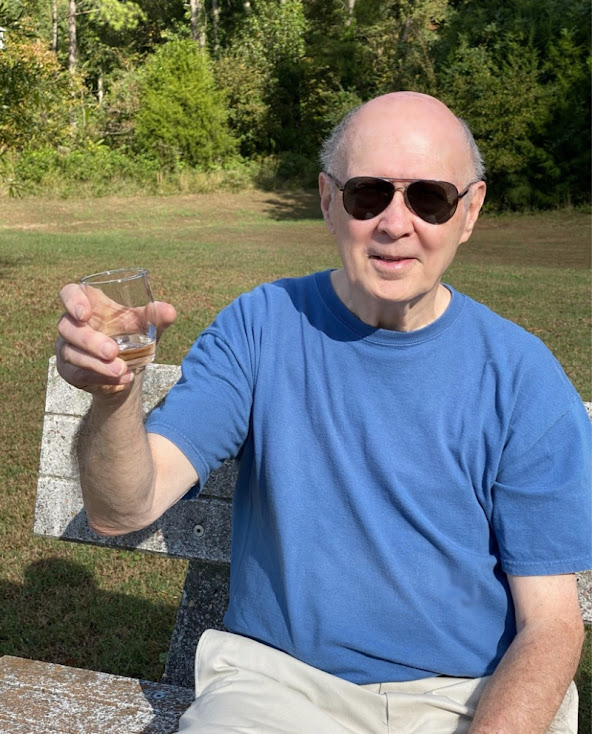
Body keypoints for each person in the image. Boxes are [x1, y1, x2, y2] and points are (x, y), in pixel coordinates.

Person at [55, 92, 591, 734]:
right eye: (368, 194)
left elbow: (551, 625)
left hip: (468, 696)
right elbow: (122, 510)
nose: (396, 224)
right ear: (329, 200)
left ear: (469, 211)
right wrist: (114, 397)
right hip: (279, 690)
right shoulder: (260, 327)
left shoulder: (522, 377)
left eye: (430, 199)